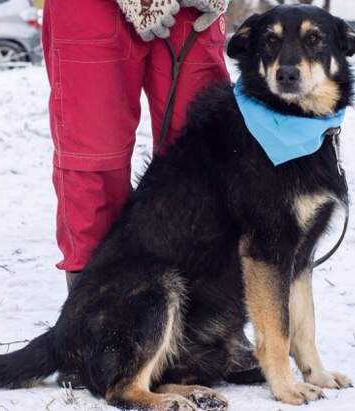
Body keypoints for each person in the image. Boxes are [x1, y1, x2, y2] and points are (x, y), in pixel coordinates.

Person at [42, 0, 231, 291]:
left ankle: (208, 307)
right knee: (94, 151)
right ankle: (95, 306)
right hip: (92, 8)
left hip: (191, 10)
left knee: (205, 146)